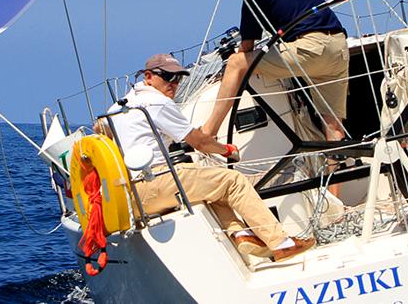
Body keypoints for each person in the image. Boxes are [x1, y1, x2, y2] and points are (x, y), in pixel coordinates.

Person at [108, 54, 315, 261]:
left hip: (129, 195)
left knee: (211, 183)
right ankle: (281, 243)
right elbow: (200, 142)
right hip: (157, 184)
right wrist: (225, 150)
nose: (174, 83)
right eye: (167, 77)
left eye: (178, 78)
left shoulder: (116, 109)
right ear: (149, 76)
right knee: (233, 181)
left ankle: (240, 234)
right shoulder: (157, 102)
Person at [201, 0, 349, 142]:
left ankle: (209, 131)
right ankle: (340, 166)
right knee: (332, 123)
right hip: (338, 47)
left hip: (308, 50)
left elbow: (246, 49)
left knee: (236, 63)